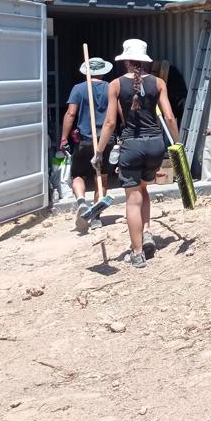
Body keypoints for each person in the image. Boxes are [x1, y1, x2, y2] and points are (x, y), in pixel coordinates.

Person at [95, 39, 179, 269]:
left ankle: (138, 251)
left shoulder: (115, 85)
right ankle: (148, 231)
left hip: (132, 145)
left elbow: (111, 122)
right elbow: (169, 117)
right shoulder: (159, 82)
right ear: (144, 62)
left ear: (126, 62)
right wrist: (178, 142)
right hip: (155, 145)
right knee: (143, 188)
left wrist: (99, 151)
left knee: (133, 198)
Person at [59, 56, 115, 233]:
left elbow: (70, 113)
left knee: (78, 175)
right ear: (103, 72)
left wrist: (63, 138)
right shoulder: (111, 88)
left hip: (85, 140)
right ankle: (96, 218)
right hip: (105, 140)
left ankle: (82, 202)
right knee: (102, 177)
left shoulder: (79, 89)